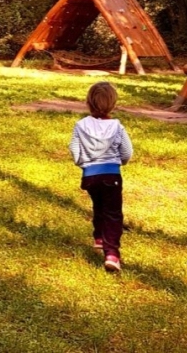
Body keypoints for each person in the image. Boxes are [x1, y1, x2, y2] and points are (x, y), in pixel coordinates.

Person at [69, 81, 133, 272]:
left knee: (99, 205)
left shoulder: (80, 126)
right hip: (111, 175)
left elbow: (74, 149)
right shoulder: (117, 126)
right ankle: (111, 253)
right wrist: (120, 162)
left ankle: (99, 237)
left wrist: (83, 163)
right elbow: (127, 151)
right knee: (112, 213)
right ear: (113, 104)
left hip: (90, 177)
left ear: (89, 102)